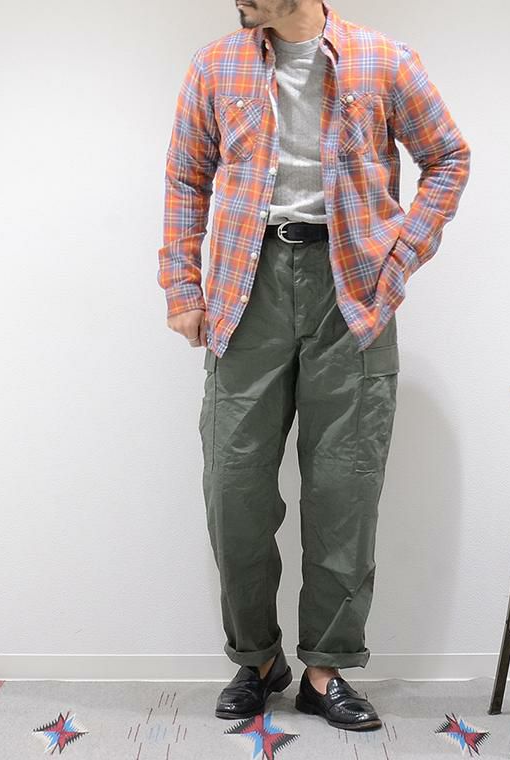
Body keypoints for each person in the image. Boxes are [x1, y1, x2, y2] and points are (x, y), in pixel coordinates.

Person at [158, 0, 470, 731]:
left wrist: (398, 257)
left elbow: (448, 157)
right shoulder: (215, 65)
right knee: (232, 487)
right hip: (246, 287)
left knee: (344, 489)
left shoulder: (385, 60)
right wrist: (182, 286)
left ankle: (325, 670)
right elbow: (185, 179)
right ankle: (258, 659)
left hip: (350, 290)